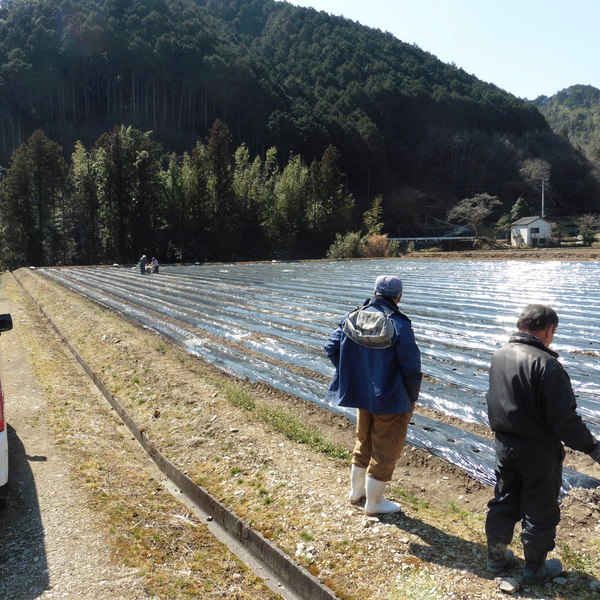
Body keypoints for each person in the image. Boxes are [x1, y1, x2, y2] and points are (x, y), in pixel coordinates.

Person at [485, 304, 600, 582]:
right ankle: (535, 569)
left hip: (504, 442)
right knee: (540, 507)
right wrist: (593, 448)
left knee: (504, 498)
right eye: (553, 331)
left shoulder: (500, 355)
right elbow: (564, 420)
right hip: (537, 448)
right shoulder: (548, 365)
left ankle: (496, 559)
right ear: (548, 330)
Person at [324, 275, 422, 516]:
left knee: (363, 439)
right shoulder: (399, 324)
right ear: (399, 296)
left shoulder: (352, 317)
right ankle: (375, 503)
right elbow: (411, 367)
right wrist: (411, 398)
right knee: (386, 447)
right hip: (390, 398)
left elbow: (330, 348)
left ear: (375, 292)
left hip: (361, 394)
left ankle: (356, 493)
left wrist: (351, 376)